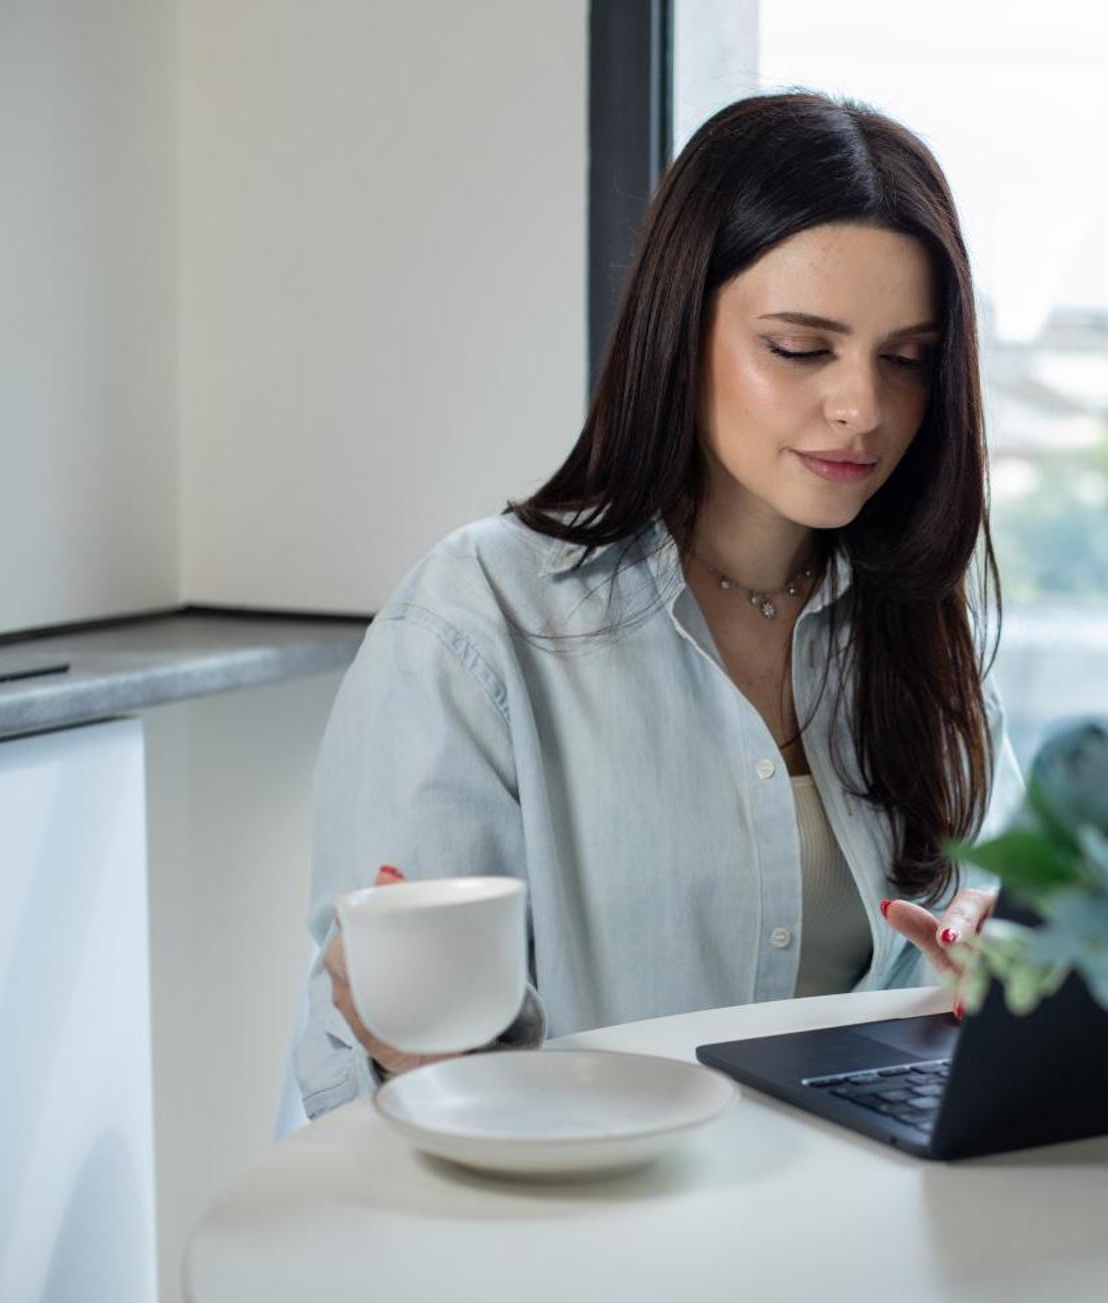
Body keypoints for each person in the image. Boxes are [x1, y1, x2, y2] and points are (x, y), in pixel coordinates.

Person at [290, 90, 1025, 1120]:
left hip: (851, 1237)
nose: (862, 405)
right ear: (684, 331)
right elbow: (346, 1075)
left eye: (906, 359)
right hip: (565, 1241)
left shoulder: (921, 637)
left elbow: (992, 944)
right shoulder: (481, 620)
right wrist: (414, 1039)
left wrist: (1010, 974)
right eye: (800, 348)